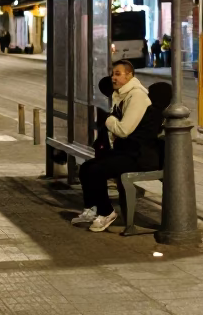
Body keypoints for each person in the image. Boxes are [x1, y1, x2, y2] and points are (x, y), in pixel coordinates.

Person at [71, 62, 167, 233]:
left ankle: (107, 212)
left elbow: (123, 130)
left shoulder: (137, 97)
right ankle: (93, 209)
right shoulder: (121, 95)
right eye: (112, 74)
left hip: (139, 156)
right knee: (86, 167)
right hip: (126, 151)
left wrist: (106, 119)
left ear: (129, 75)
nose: (113, 78)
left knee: (97, 170)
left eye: (117, 74)